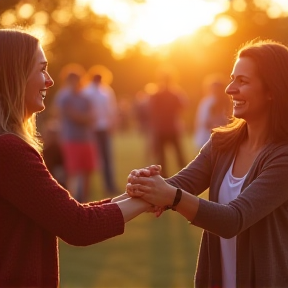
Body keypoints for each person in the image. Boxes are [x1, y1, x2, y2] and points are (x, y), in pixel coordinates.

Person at [126, 39, 288, 288]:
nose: (229, 89)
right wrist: (146, 184)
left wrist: (171, 196)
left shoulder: (283, 158)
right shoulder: (222, 143)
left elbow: (232, 219)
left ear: (271, 90)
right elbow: (181, 183)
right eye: (232, 78)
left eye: (242, 81)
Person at [0, 28, 151, 287]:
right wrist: (149, 199)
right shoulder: (9, 150)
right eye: (41, 69)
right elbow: (78, 225)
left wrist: (132, 196)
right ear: (15, 74)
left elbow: (64, 212)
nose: (49, 80)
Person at [53, 68, 96, 202]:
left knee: (87, 170)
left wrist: (81, 117)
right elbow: (69, 115)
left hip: (86, 138)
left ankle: (84, 199)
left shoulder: (85, 97)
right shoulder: (63, 96)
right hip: (70, 138)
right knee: (72, 171)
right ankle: (70, 200)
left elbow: (92, 116)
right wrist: (83, 118)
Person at [82, 65, 119, 196]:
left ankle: (109, 185)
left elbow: (112, 109)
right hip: (91, 130)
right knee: (91, 159)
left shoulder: (107, 91)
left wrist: (113, 124)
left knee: (107, 158)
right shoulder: (86, 91)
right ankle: (88, 188)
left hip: (104, 128)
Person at [148, 64, 187, 178]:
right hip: (171, 127)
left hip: (163, 128)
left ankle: (164, 179)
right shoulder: (175, 93)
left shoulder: (156, 93)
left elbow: (152, 112)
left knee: (163, 158)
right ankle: (184, 177)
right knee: (177, 156)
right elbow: (183, 107)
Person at [193, 73, 232, 150]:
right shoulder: (208, 102)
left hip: (217, 140)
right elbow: (204, 123)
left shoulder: (225, 102)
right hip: (208, 139)